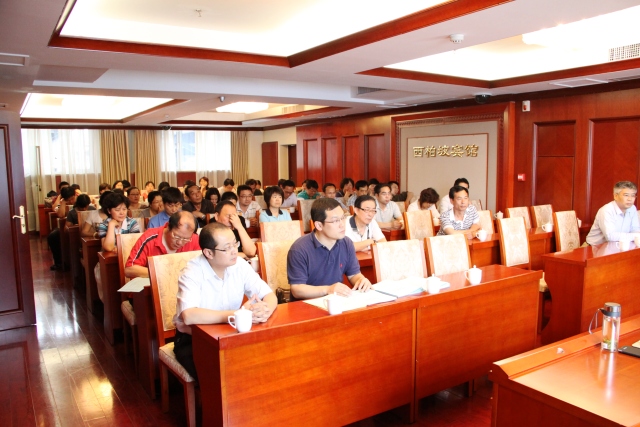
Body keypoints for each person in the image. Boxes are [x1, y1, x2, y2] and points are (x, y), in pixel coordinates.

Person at [173, 222, 277, 380]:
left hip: (231, 333)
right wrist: (237, 314)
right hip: (195, 339)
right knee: (227, 376)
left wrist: (265, 310)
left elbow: (269, 295)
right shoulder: (192, 272)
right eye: (227, 248)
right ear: (208, 253)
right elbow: (189, 315)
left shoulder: (240, 265)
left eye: (235, 244)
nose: (234, 251)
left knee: (266, 361)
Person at [286, 198, 372, 301]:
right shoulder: (299, 249)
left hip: (335, 302)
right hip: (307, 304)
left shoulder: (346, 243)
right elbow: (297, 289)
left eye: (343, 218)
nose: (342, 224)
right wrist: (328, 290)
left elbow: (354, 274)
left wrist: (361, 280)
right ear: (319, 225)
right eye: (335, 221)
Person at [125, 211, 200, 278]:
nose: (179, 242)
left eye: (186, 239)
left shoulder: (194, 239)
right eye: (176, 236)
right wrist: (163, 274)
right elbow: (129, 269)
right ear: (168, 226)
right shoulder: (149, 237)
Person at [586, 181, 640, 246]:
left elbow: (635, 229)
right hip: (594, 247)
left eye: (633, 195)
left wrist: (636, 236)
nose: (630, 199)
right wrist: (636, 236)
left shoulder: (632, 208)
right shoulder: (606, 210)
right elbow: (611, 236)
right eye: (626, 195)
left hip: (618, 246)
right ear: (616, 196)